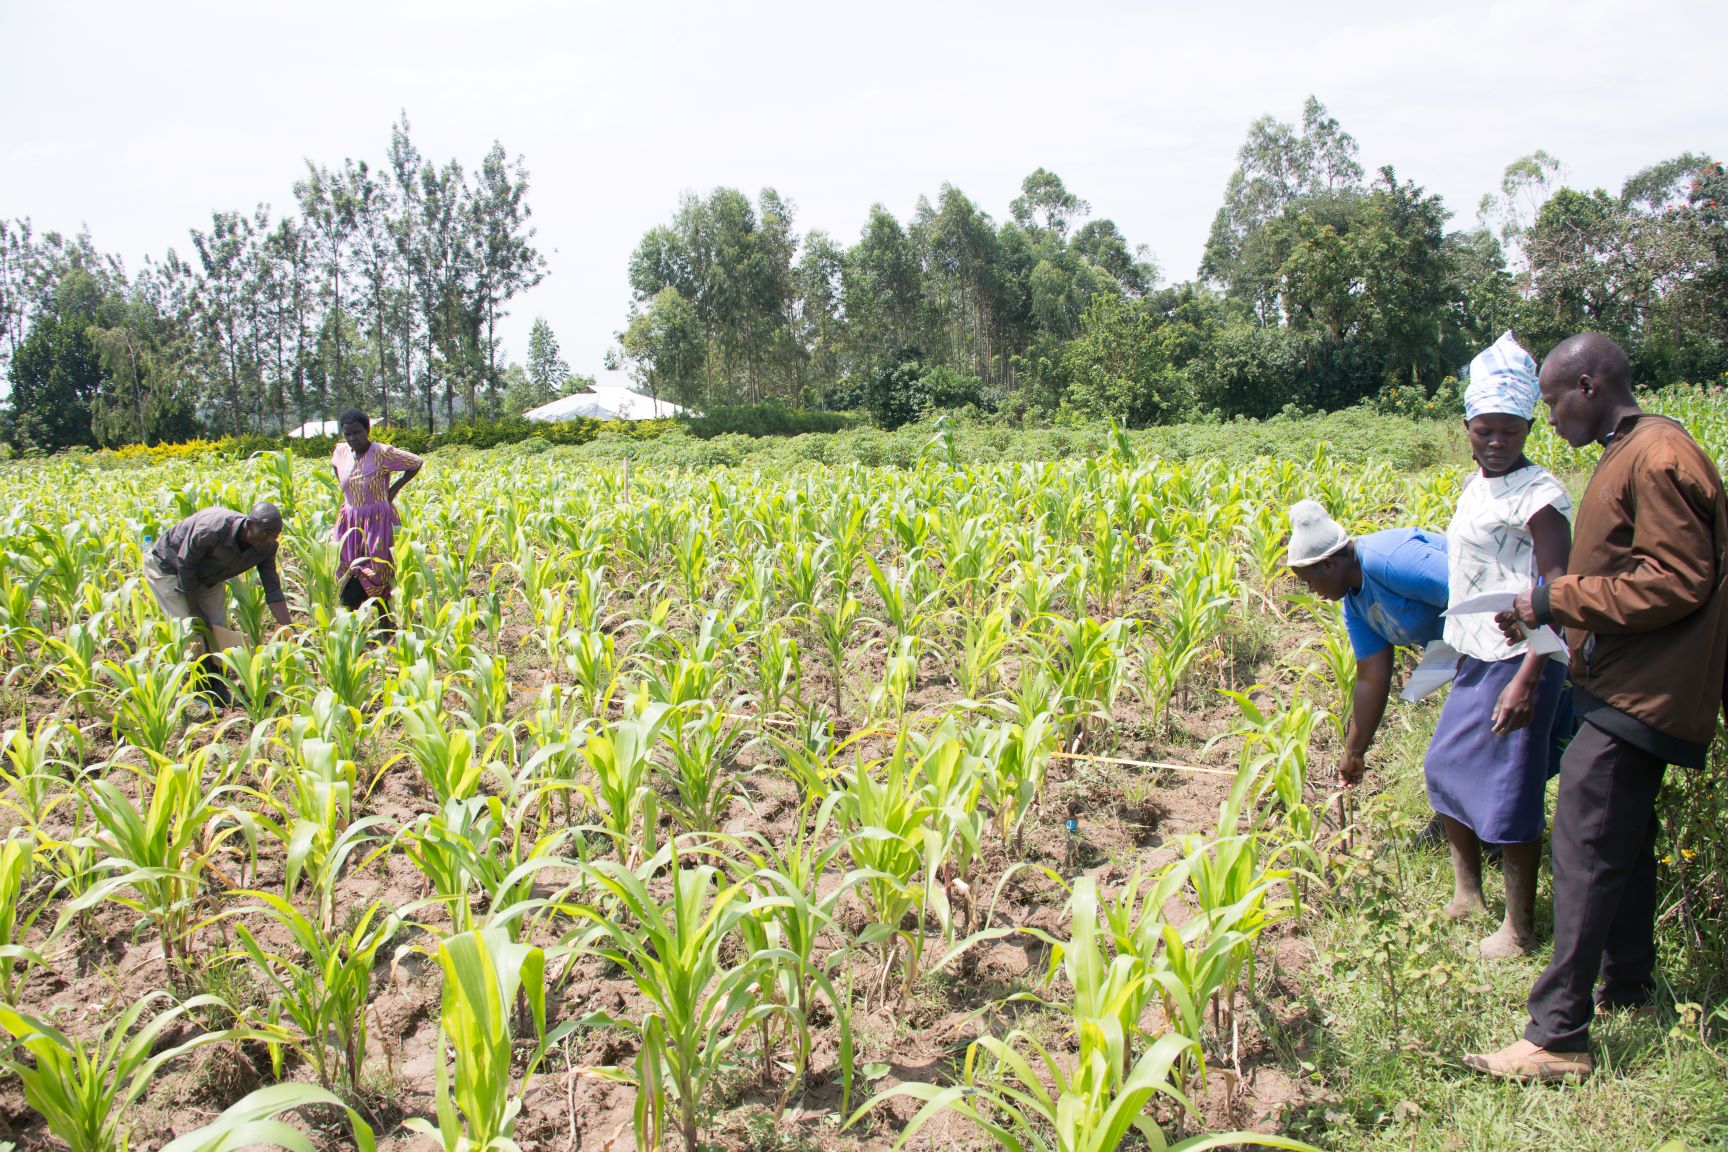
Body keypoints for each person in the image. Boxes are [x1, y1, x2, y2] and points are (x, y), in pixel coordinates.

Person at [1465, 332, 1728, 1084]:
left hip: (1641, 692)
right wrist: (1551, 611)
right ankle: (1632, 987)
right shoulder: (1641, 451)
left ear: (1587, 386)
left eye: (1549, 400)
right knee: (1624, 842)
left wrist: (1554, 594)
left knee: (1582, 847)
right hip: (1631, 681)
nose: (1545, 417)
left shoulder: (1657, 456)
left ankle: (1557, 1035)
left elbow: (1676, 581)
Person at [1424, 333, 1572, 960]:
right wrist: (1451, 651)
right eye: (1485, 429)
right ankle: (1467, 892)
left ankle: (1519, 926)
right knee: (1444, 767)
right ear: (1466, 426)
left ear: (1528, 427)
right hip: (1475, 654)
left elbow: (1558, 592)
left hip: (1522, 659)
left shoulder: (1541, 496)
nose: (1496, 441)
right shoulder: (1474, 485)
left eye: (1509, 431)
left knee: (1513, 790)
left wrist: (1529, 676)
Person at [1286, 500, 1449, 786]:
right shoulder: (1355, 604)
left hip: (1509, 640)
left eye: (1309, 582)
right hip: (1470, 654)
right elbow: (1371, 677)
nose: (1312, 591)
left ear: (1328, 564)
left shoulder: (1387, 560)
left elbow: (1475, 593)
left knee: (1457, 754)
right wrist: (1354, 751)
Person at [144, 502, 294, 703]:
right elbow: (185, 565)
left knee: (217, 627)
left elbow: (272, 588)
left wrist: (288, 628)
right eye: (265, 533)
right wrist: (195, 610)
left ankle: (216, 682)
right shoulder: (212, 529)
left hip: (209, 575)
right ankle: (195, 692)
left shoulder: (266, 548)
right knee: (191, 631)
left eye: (274, 536)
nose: (269, 540)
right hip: (169, 568)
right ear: (249, 524)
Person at [331, 409, 423, 620]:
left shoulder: (381, 452)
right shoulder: (341, 452)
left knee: (378, 569)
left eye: (357, 432)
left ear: (367, 430)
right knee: (348, 567)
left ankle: (384, 618)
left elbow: (415, 462)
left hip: (377, 520)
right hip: (350, 521)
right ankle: (354, 621)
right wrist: (349, 494)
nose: (353, 438)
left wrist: (393, 490)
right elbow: (336, 468)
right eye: (348, 434)